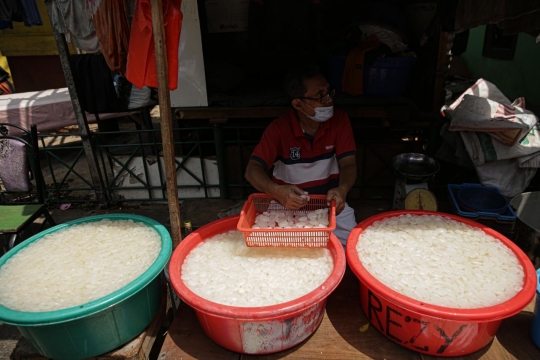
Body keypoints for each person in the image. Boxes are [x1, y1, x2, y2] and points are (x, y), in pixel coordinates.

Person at [244, 64, 357, 246]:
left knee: (352, 247)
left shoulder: (339, 121)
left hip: (330, 205)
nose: (328, 100)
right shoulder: (279, 129)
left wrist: (342, 189)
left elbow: (348, 164)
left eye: (328, 92)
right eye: (320, 95)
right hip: (286, 207)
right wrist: (276, 191)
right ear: (298, 104)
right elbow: (252, 170)